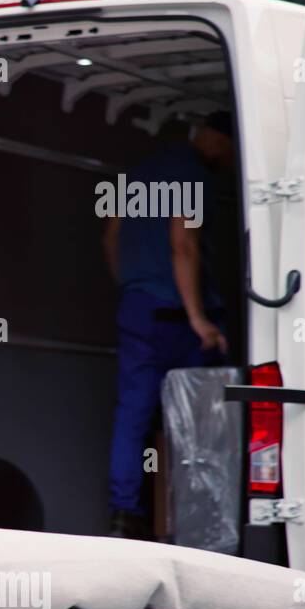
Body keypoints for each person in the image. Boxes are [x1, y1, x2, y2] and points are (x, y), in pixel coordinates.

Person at [103, 111, 234, 540]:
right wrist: (198, 319)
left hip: (138, 307)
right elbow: (184, 241)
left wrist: (131, 286)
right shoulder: (193, 176)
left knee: (133, 413)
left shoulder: (140, 174)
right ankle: (199, 520)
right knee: (197, 417)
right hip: (176, 318)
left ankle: (125, 515)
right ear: (218, 141)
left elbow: (112, 234)